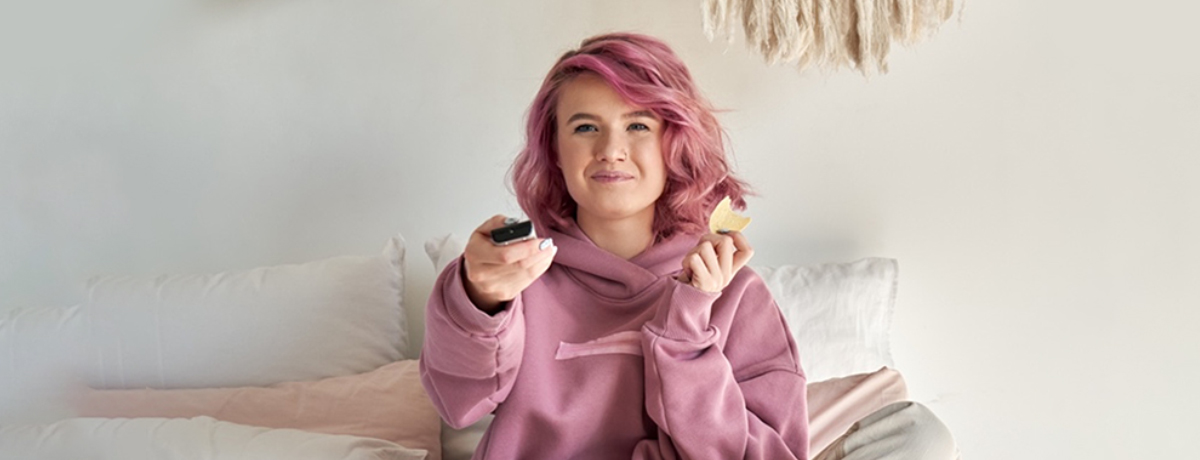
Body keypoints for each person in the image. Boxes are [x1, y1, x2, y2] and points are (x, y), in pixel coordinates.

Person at [420, 32, 956, 460]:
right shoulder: (516, 278)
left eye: (638, 125)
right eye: (585, 127)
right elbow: (458, 402)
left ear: (673, 143)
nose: (611, 150)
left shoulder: (734, 293)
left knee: (916, 432)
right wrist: (478, 300)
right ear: (555, 150)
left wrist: (686, 330)